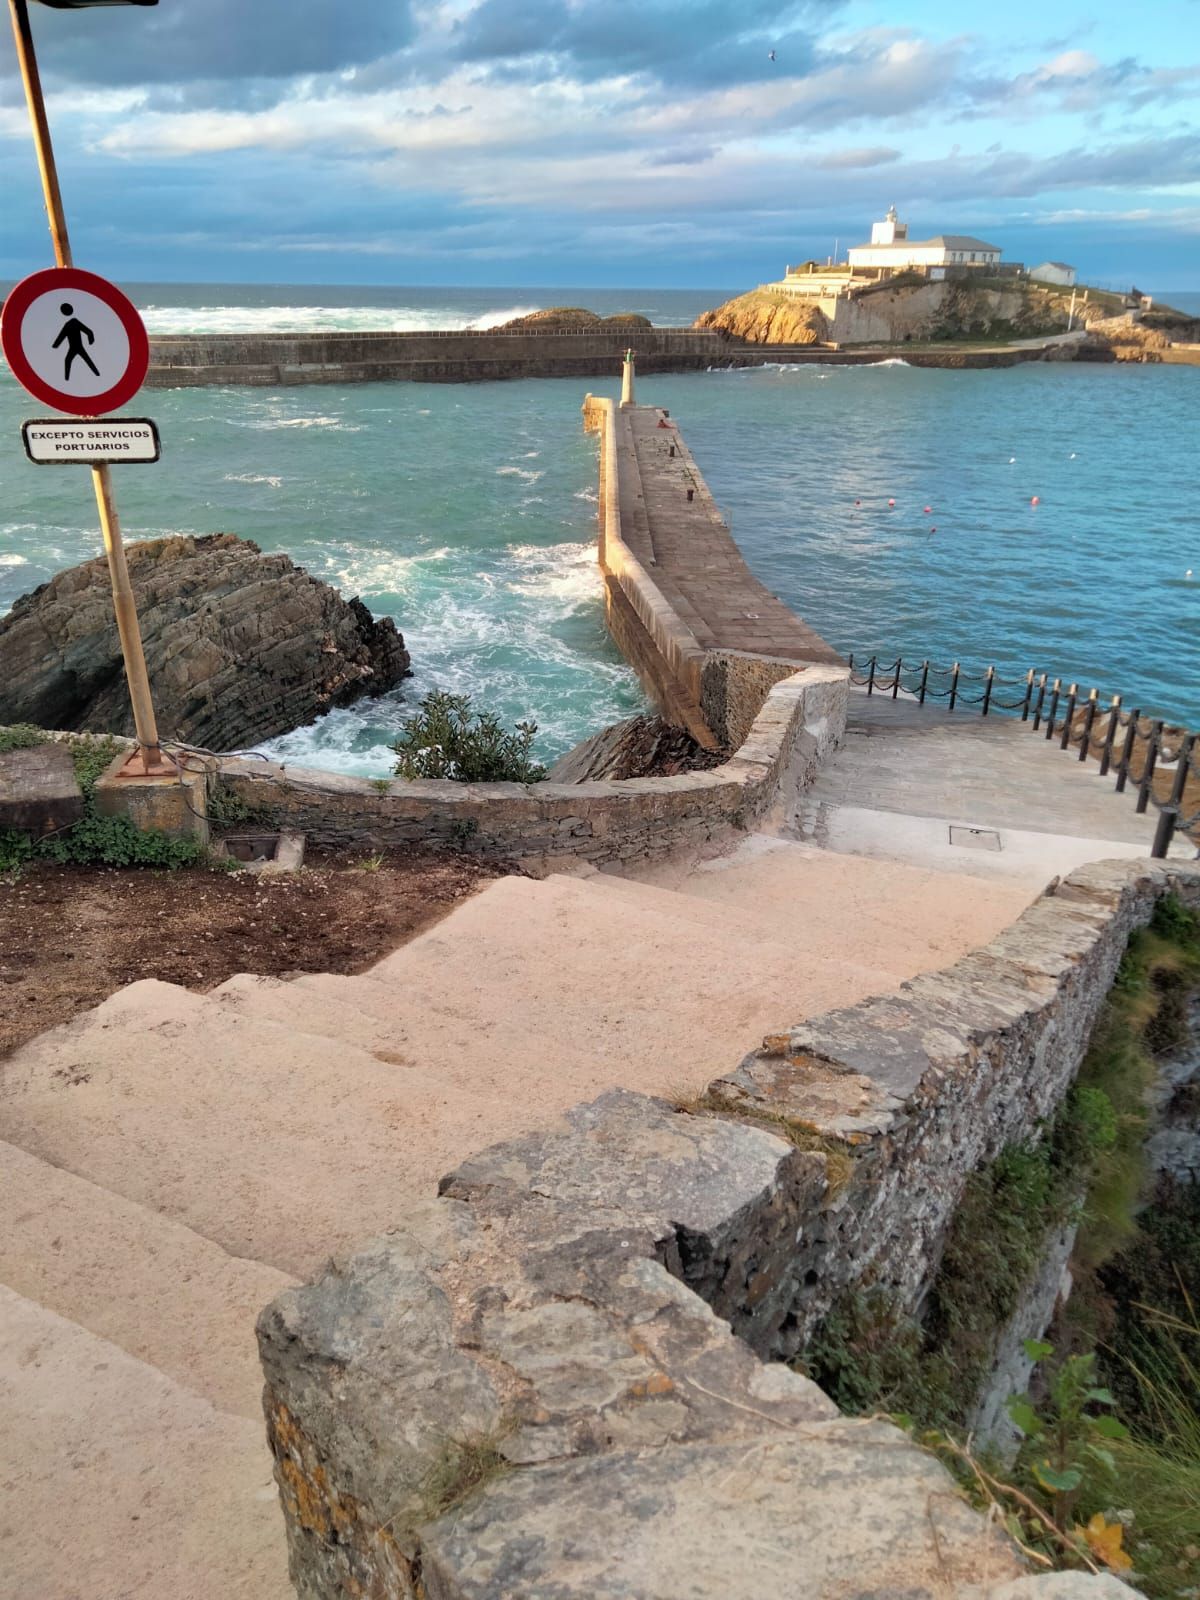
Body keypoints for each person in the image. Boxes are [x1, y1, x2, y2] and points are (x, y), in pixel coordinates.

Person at [53, 302, 99, 381]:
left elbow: (88, 331)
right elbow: (61, 336)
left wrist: (91, 341)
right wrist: (55, 346)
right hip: (73, 348)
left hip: (78, 346)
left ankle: (97, 375)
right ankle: (66, 380)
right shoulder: (67, 324)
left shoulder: (74, 322)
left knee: (87, 360)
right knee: (68, 360)